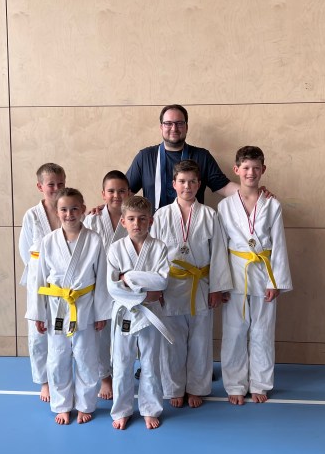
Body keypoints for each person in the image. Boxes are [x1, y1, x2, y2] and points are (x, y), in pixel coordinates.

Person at [150, 160, 232, 408]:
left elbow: (219, 253)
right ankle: (174, 388)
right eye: (182, 181)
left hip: (201, 285)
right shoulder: (161, 215)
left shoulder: (210, 215)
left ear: (199, 184)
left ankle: (196, 388)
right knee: (172, 341)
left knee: (200, 340)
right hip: (170, 287)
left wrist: (217, 288)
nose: (187, 186)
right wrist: (155, 287)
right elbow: (154, 254)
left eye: (192, 181)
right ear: (174, 184)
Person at [26, 188, 111, 425]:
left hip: (86, 306)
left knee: (86, 357)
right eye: (64, 209)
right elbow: (39, 280)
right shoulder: (48, 241)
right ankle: (62, 405)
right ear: (57, 211)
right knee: (57, 358)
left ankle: (85, 405)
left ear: (83, 210)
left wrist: (101, 312)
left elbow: (102, 279)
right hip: (57, 307)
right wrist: (39, 314)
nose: (69, 214)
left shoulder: (94, 240)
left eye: (74, 209)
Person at [218, 146, 293, 405]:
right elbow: (220, 247)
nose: (251, 173)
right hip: (235, 273)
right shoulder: (225, 206)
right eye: (246, 168)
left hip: (264, 273)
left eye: (256, 168)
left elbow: (279, 244)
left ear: (263, 170)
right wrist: (220, 283)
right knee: (234, 332)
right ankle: (235, 385)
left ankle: (260, 383)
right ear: (236, 170)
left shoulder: (272, 204)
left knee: (262, 331)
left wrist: (277, 282)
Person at [107, 196, 171, 430]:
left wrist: (129, 277)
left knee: (151, 362)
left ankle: (150, 409)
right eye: (132, 219)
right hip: (125, 313)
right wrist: (145, 294)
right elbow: (112, 286)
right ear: (123, 221)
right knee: (121, 363)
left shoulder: (159, 247)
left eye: (142, 219)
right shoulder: (115, 249)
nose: (137, 224)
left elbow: (162, 282)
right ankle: (121, 410)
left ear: (151, 221)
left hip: (150, 315)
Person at [126, 104, 239, 211]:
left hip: (192, 224)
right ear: (161, 127)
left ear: (186, 127)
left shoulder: (202, 156)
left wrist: (249, 193)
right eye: (168, 123)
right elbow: (125, 193)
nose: (174, 128)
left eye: (179, 123)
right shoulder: (145, 157)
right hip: (154, 223)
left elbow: (225, 188)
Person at [18, 163, 66, 403]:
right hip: (38, 280)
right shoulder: (32, 215)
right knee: (38, 333)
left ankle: (63, 378)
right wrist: (42, 273)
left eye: (60, 183)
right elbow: (26, 251)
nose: (56, 188)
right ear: (40, 186)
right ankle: (45, 381)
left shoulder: (69, 208)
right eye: (51, 185)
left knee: (64, 333)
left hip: (64, 283)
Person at [83, 171, 130, 400]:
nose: (116, 195)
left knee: (125, 335)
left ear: (129, 193)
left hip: (125, 286)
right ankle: (105, 377)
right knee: (101, 335)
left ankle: (123, 374)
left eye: (121, 191)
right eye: (111, 191)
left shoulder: (134, 218)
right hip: (99, 285)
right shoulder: (91, 220)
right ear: (103, 194)